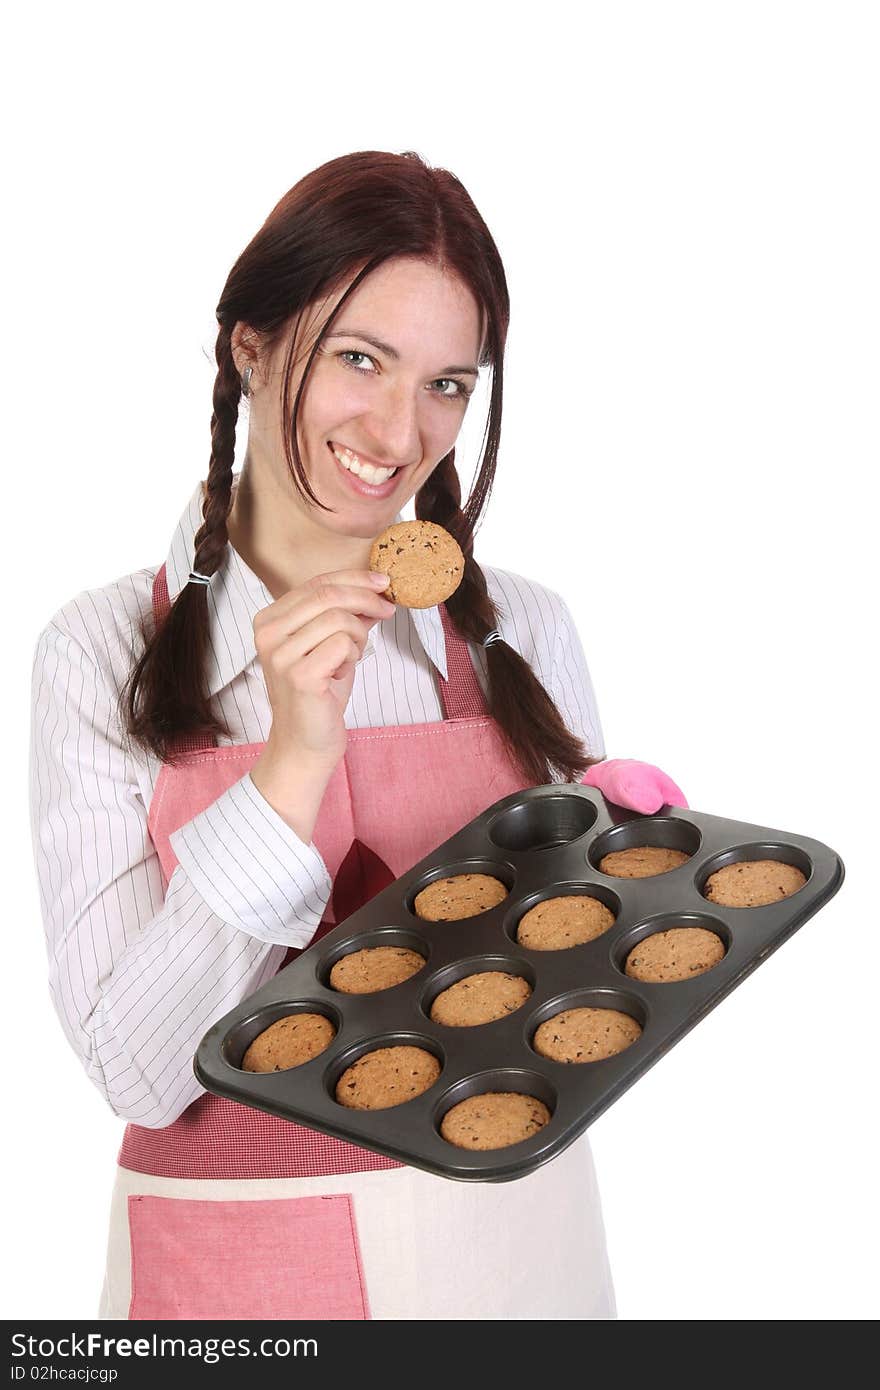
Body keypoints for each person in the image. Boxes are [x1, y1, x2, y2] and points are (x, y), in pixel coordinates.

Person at [29, 149, 686, 1321]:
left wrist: (638, 877)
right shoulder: (98, 650)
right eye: (360, 358)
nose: (400, 428)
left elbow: (584, 1013)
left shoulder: (521, 627)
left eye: (448, 382)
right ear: (251, 345)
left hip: (516, 1259)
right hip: (246, 1278)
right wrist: (293, 763)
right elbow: (132, 1070)